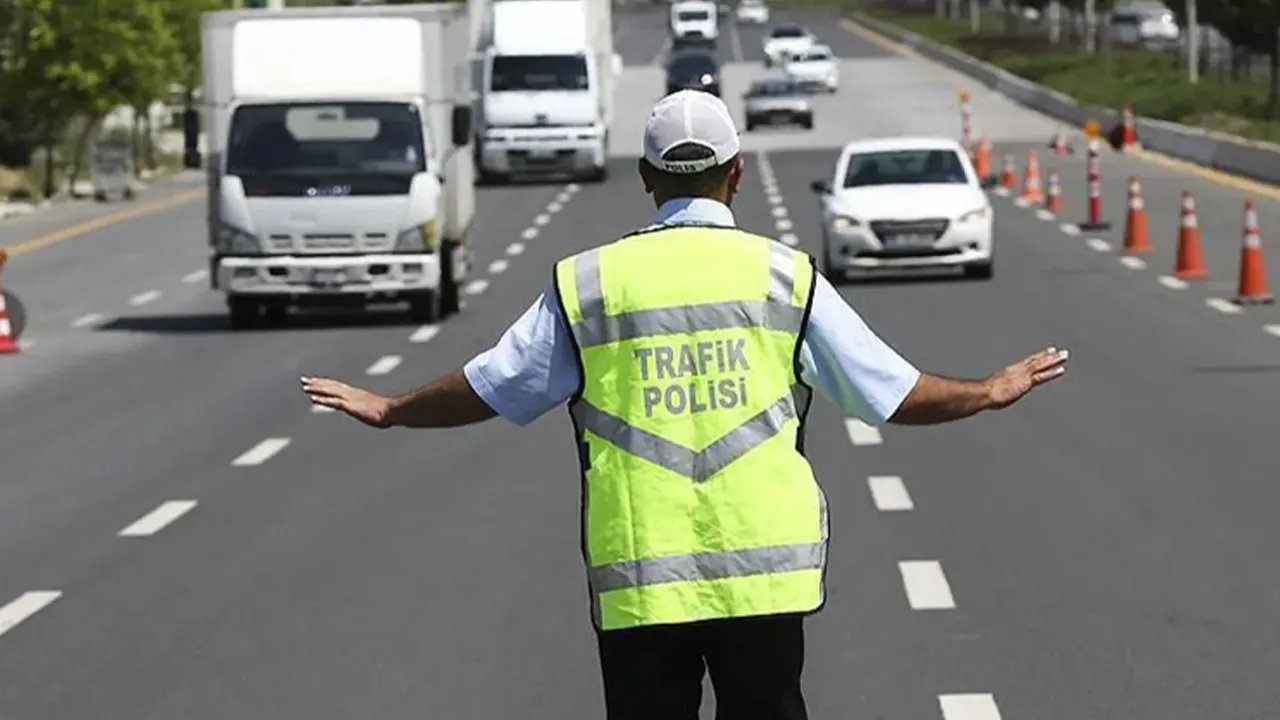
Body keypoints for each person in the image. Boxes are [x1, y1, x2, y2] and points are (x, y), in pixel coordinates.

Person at [301, 90, 1069, 720]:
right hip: (764, 577)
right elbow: (890, 392)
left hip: (641, 579)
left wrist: (393, 407)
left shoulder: (591, 284)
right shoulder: (783, 277)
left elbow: (493, 385)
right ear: (735, 174)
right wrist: (988, 392)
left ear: (645, 177)